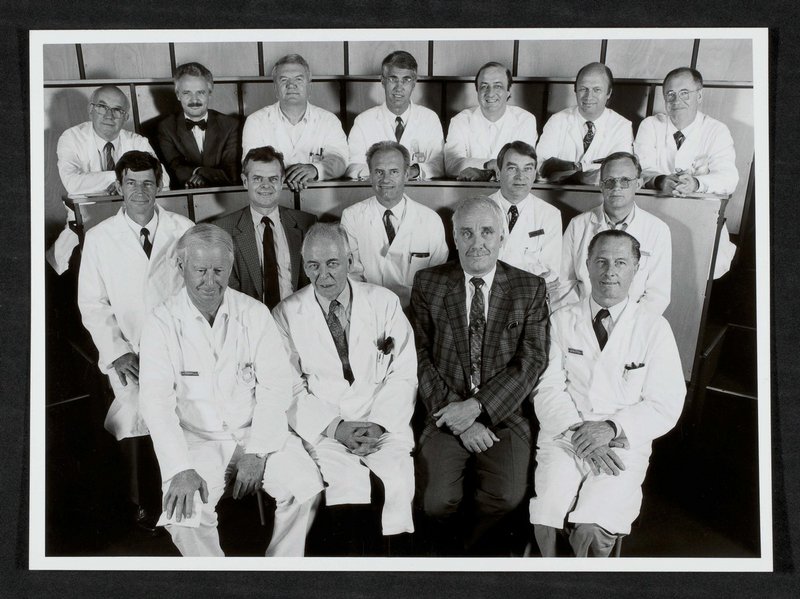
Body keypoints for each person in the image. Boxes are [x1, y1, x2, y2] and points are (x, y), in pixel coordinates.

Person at [138, 224, 323, 557]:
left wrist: (258, 451)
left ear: (230, 267)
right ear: (181, 266)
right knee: (185, 517)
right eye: (201, 270)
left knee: (305, 489)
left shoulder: (254, 314)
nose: (211, 281)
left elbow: (276, 388)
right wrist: (180, 467)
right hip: (198, 440)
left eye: (219, 270)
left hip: (257, 432)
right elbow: (156, 404)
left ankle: (281, 570)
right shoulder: (160, 323)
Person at [530, 229, 685, 557]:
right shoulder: (560, 320)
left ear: (636, 268)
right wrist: (579, 434)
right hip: (565, 435)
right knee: (549, 515)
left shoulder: (654, 328)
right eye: (600, 261)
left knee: (593, 525)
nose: (609, 271)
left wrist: (611, 428)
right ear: (587, 265)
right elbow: (546, 388)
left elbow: (666, 403)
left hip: (622, 443)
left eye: (620, 262)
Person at [410, 196, 549, 555]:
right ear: (454, 237)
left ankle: (471, 555)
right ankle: (447, 558)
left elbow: (531, 361)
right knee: (436, 502)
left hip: (505, 414)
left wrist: (477, 408)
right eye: (467, 233)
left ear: (502, 236)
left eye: (487, 232)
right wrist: (458, 418)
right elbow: (419, 357)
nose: (477, 243)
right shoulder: (428, 283)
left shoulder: (529, 288)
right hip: (444, 411)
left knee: (507, 497)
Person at [272, 223, 418, 551]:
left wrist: (378, 423)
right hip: (327, 427)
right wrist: (337, 428)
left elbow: (404, 373)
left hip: (382, 423)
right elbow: (288, 388)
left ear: (349, 260)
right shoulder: (285, 314)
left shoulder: (384, 302)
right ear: (303, 265)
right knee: (347, 490)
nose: (323, 275)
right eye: (313, 265)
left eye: (332, 263)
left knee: (395, 485)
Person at [77, 150, 193, 530]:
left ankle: (189, 496)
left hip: (180, 346)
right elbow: (92, 304)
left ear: (159, 185)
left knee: (188, 410)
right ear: (119, 186)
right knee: (135, 413)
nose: (140, 191)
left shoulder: (183, 228)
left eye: (147, 183)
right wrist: (119, 353)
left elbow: (195, 290)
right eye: (131, 183)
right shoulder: (99, 239)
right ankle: (147, 503)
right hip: (131, 351)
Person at [53, 85, 169, 273]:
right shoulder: (72, 137)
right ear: (91, 110)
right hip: (85, 224)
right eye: (102, 107)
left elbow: (163, 180)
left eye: (117, 110)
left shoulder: (137, 142)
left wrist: (123, 181)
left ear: (126, 116)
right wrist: (123, 178)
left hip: (132, 223)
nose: (109, 115)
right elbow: (72, 183)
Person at [634, 67, 738, 277]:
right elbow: (640, 169)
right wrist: (660, 180)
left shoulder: (717, 130)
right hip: (654, 210)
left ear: (699, 95)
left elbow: (729, 178)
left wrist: (696, 184)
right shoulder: (650, 126)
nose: (676, 100)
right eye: (670, 94)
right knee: (647, 269)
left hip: (699, 216)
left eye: (684, 93)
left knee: (697, 274)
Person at [559, 152, 671, 315]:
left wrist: (627, 324)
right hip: (581, 318)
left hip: (634, 321)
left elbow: (657, 295)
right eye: (610, 181)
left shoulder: (658, 230)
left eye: (625, 181)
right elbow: (564, 283)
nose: (616, 187)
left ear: (638, 184)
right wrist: (583, 319)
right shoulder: (578, 225)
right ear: (601, 185)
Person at [340, 141, 449, 308]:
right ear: (370, 175)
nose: (386, 179)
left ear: (406, 175)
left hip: (417, 311)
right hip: (369, 308)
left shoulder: (431, 220)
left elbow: (436, 280)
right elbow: (352, 274)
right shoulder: (352, 217)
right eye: (379, 172)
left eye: (394, 172)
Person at [214, 146, 316, 309]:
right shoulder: (223, 229)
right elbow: (229, 294)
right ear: (245, 181)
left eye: (273, 179)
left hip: (298, 316)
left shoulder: (306, 223)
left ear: (282, 182)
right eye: (257, 179)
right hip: (249, 318)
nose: (266, 185)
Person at [242, 54, 349, 190]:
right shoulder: (256, 121)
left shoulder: (329, 120)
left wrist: (315, 169)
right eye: (284, 79)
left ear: (309, 86)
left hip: (318, 195)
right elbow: (250, 165)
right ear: (275, 88)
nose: (291, 85)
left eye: (298, 79)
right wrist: (287, 175)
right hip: (270, 193)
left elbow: (341, 160)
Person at [346, 50, 444, 180]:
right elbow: (353, 166)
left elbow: (438, 164)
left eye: (406, 80)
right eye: (393, 79)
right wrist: (386, 172)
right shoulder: (363, 121)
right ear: (382, 81)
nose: (399, 87)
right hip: (377, 189)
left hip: (419, 190)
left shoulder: (429, 119)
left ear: (414, 82)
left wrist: (414, 170)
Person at [536, 63, 632, 185]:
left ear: (608, 93)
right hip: (555, 193)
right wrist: (588, 172)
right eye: (583, 89)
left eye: (597, 90)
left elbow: (619, 171)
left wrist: (572, 168)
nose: (588, 96)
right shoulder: (557, 121)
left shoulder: (622, 126)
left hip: (600, 195)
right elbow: (540, 168)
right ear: (575, 90)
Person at [488, 141, 562, 295]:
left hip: (530, 302)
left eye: (527, 169)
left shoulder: (550, 214)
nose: (520, 176)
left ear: (534, 174)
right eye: (512, 168)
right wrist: (531, 278)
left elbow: (550, 274)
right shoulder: (479, 210)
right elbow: (474, 266)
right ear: (498, 173)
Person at [444, 62, 538, 180]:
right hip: (470, 190)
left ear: (508, 91)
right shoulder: (460, 121)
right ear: (477, 91)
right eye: (484, 86)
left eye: (498, 86)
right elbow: (451, 165)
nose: (490, 93)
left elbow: (524, 166)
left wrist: (484, 172)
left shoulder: (525, 120)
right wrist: (488, 164)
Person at [157, 62, 240, 189]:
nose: (194, 99)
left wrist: (201, 174)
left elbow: (232, 174)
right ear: (178, 95)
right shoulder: (166, 127)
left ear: (209, 93)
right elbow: (174, 169)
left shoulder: (230, 125)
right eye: (187, 93)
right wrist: (201, 173)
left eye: (200, 92)